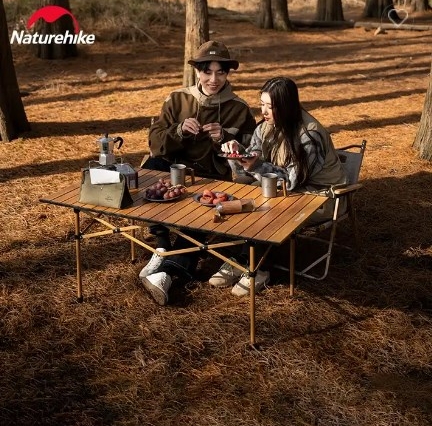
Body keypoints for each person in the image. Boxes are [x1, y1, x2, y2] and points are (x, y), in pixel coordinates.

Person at [139, 40, 256, 306]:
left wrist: (225, 139)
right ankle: (161, 243)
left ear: (228, 73)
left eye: (220, 72)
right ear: (197, 71)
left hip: (212, 175)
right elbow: (155, 142)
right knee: (150, 169)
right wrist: (179, 130)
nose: (214, 79)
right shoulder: (177, 98)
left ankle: (167, 274)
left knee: (199, 220)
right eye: (207, 72)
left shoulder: (238, 108)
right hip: (175, 168)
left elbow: (250, 155)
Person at [209, 76, 348, 297]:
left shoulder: (308, 136)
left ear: (286, 106)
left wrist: (256, 165)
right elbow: (251, 163)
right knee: (242, 192)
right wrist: (239, 153)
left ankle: (258, 268)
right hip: (286, 189)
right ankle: (242, 258)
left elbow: (292, 181)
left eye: (270, 106)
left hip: (321, 196)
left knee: (265, 205)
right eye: (261, 104)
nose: (264, 111)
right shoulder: (266, 127)